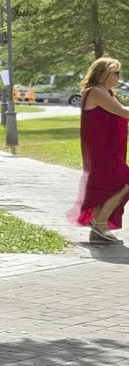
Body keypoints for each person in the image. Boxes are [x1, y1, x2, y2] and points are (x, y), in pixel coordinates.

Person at [74, 58, 128, 245]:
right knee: (124, 182)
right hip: (101, 149)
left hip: (106, 147)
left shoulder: (104, 91)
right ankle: (100, 223)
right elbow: (122, 112)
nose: (119, 77)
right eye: (116, 72)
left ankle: (99, 228)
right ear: (104, 73)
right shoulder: (96, 91)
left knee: (105, 186)